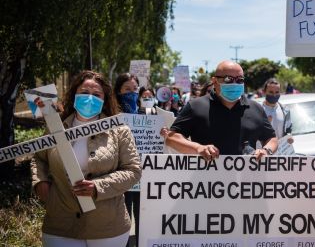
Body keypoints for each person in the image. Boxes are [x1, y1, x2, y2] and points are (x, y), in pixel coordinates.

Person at [31, 70, 141, 246]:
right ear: (74, 95)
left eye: (97, 94)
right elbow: (39, 158)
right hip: (60, 224)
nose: (90, 98)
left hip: (108, 227)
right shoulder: (55, 127)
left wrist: (97, 187)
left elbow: (133, 171)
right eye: (84, 93)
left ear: (104, 99)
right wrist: (40, 182)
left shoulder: (120, 130)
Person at [165, 60, 278, 161]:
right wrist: (198, 148)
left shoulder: (256, 108)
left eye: (240, 80)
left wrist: (266, 151)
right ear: (214, 81)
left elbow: (271, 138)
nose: (234, 83)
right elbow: (171, 138)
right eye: (228, 79)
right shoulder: (196, 106)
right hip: (205, 181)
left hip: (246, 181)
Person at [114, 73, 140, 247]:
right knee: (122, 215)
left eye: (135, 89)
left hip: (142, 174)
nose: (132, 93)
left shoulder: (147, 113)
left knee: (142, 213)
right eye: (127, 89)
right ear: (118, 91)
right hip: (119, 172)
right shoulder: (111, 115)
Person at [261, 78, 293, 144]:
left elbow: (288, 128)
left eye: (277, 92)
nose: (274, 95)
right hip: (265, 151)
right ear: (264, 92)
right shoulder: (258, 111)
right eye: (271, 92)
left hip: (282, 151)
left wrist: (289, 136)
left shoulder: (285, 110)